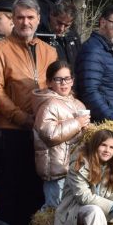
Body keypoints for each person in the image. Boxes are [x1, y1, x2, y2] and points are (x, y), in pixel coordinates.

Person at [0, 0, 58, 225]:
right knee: (11, 194)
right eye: (20, 18)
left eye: (30, 17)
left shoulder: (49, 51)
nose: (25, 22)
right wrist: (20, 117)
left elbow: (57, 84)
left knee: (37, 192)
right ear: (13, 19)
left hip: (42, 131)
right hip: (13, 129)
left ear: (38, 19)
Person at [33, 59, 89, 208]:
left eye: (67, 78)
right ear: (50, 82)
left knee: (73, 216)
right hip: (57, 171)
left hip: (76, 171)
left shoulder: (78, 104)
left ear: (72, 81)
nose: (64, 83)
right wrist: (77, 123)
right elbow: (49, 135)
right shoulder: (48, 104)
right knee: (56, 214)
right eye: (58, 79)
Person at [76, 5, 113, 123]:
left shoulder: (112, 49)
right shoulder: (93, 51)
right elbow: (89, 92)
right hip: (107, 127)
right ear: (103, 22)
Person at [40, 2, 81, 68]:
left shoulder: (73, 37)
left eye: (66, 25)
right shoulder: (40, 36)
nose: (61, 29)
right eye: (59, 23)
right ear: (51, 15)